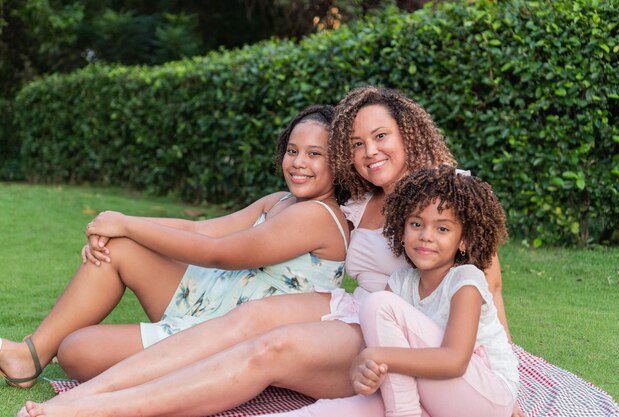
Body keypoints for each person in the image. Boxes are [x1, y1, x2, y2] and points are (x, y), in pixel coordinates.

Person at [18, 86, 514, 417]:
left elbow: (485, 282)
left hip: (407, 324)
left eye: (381, 137)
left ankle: (92, 408)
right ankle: (90, 392)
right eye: (358, 143)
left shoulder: (445, 196)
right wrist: (127, 229)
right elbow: (213, 231)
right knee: (248, 320)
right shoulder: (357, 199)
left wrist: (502, 353)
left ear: (408, 134)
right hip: (359, 307)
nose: (370, 152)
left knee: (268, 347)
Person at [0, 104, 349, 387]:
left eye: (314, 154)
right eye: (292, 150)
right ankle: (28, 356)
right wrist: (116, 225)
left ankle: (180, 371)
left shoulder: (318, 216)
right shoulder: (280, 200)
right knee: (119, 247)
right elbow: (202, 229)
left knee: (76, 352)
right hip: (207, 299)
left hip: (227, 335)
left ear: (339, 163)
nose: (298, 162)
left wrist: (128, 224)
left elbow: (219, 253)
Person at [348, 165, 518, 417]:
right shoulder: (399, 282)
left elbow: (454, 361)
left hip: (486, 395)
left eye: (442, 229)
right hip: (432, 391)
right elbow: (376, 350)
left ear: (463, 240)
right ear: (401, 230)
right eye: (416, 224)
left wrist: (377, 355)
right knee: (342, 409)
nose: (426, 236)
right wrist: (362, 369)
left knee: (378, 304)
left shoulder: (465, 280)